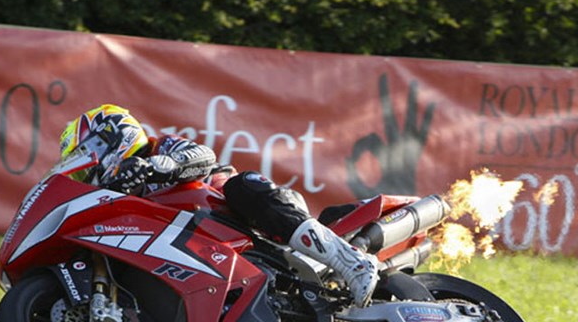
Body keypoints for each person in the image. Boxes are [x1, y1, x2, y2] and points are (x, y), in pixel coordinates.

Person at [59, 104, 378, 307]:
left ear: (114, 135)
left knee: (244, 185)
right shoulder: (125, 200)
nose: (92, 171)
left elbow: (202, 157)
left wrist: (159, 166)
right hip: (208, 257)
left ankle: (351, 261)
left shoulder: (160, 146)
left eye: (92, 155)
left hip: (254, 220)